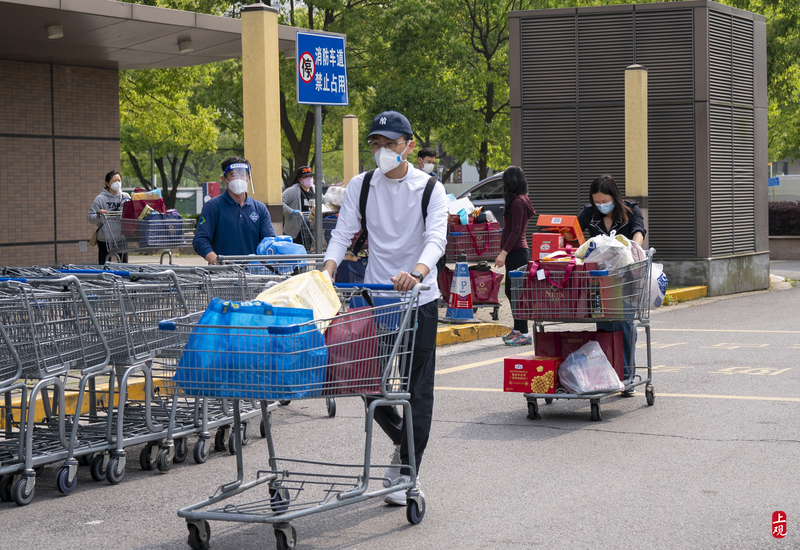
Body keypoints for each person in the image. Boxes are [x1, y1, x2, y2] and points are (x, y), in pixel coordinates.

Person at [322, 111, 448, 506]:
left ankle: (407, 468)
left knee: (417, 389)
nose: (381, 151)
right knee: (363, 381)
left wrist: (418, 272)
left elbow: (436, 238)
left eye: (390, 144)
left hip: (418, 299)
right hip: (377, 299)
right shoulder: (361, 186)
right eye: (375, 144)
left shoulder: (430, 189)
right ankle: (404, 439)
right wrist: (326, 270)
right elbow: (343, 232)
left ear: (407, 145)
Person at [577, 174, 646, 389]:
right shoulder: (589, 214)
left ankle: (627, 375)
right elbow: (572, 233)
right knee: (605, 326)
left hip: (624, 279)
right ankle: (608, 376)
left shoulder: (630, 210)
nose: (601, 205)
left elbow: (638, 232)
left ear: (614, 198)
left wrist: (632, 249)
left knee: (624, 325)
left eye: (605, 201)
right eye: (597, 201)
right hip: (599, 281)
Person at [193, 157, 275, 264]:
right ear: (224, 179)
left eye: (243, 174)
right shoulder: (213, 206)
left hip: (253, 274)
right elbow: (200, 240)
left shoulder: (260, 208)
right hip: (222, 275)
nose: (239, 179)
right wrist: (215, 259)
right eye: (233, 175)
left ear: (249, 178)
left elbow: (269, 241)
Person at [494, 166, 536, 346]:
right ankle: (518, 329)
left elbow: (516, 231)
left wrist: (503, 253)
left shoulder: (518, 202)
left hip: (517, 252)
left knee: (517, 293)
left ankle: (524, 332)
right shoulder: (518, 200)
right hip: (515, 252)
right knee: (512, 292)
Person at [88, 170, 131, 265]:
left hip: (121, 237)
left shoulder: (126, 197)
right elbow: (90, 217)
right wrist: (99, 215)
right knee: (104, 265)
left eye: (119, 180)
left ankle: (123, 280)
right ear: (107, 183)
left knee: (124, 265)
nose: (118, 183)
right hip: (105, 238)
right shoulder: (100, 199)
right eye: (115, 181)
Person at [281, 166, 315, 248]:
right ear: (300, 179)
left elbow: (324, 203)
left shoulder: (315, 190)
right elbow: (280, 202)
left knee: (306, 253)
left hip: (309, 230)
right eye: (306, 177)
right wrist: (292, 211)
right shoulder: (293, 190)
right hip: (295, 232)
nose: (309, 179)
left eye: (310, 176)